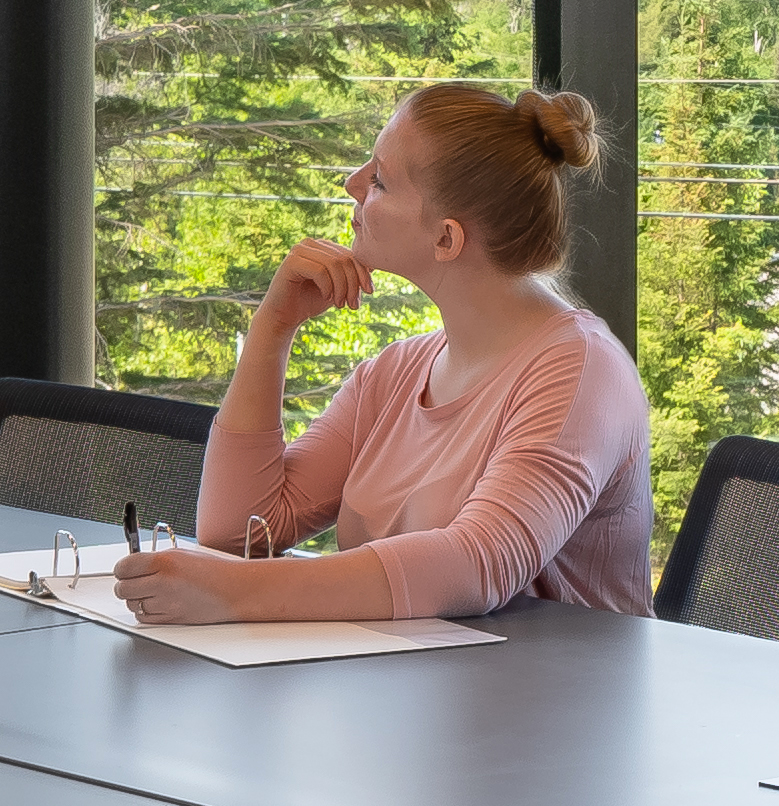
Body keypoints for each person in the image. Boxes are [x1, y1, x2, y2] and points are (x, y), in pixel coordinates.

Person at [116, 85, 655, 626]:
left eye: (378, 179)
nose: (352, 184)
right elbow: (240, 532)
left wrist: (236, 594)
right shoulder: (395, 374)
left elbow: (479, 564)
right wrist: (272, 328)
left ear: (446, 239)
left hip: (555, 705)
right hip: (408, 695)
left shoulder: (583, 372)